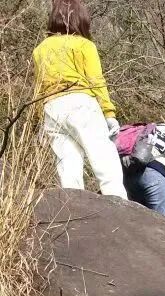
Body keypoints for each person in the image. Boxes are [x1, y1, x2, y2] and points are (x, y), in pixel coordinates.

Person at [32, 0, 127, 198]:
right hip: (80, 103)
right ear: (80, 19)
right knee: (104, 159)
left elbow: (38, 88)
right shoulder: (84, 45)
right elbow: (96, 80)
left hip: (51, 107)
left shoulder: (40, 49)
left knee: (68, 166)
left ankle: (73, 208)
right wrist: (109, 113)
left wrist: (39, 119)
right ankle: (118, 203)